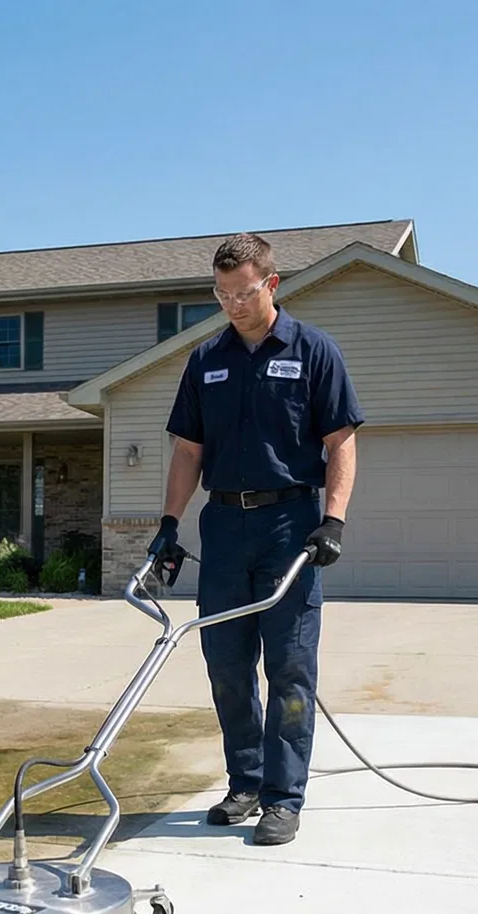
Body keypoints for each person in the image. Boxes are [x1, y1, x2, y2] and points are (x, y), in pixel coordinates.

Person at [152, 233, 363, 846]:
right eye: (222, 295)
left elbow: (341, 441)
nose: (233, 305)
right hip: (223, 527)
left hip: (289, 525)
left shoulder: (313, 350)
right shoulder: (206, 360)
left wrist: (334, 519)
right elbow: (188, 450)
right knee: (226, 664)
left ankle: (283, 796)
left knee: (290, 666)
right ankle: (244, 783)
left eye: (243, 293)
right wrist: (169, 525)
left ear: (271, 284)